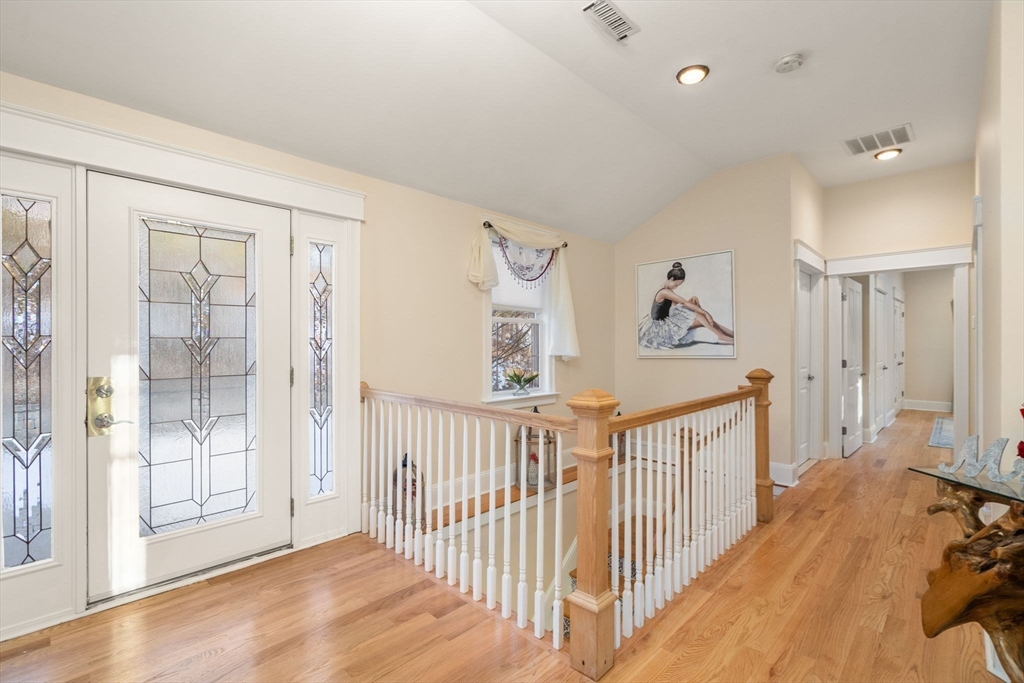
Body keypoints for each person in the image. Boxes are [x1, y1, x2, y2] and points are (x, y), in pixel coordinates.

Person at [638, 262, 734, 349]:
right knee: (700, 315)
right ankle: (722, 337)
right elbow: (684, 303)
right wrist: (705, 312)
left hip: (664, 322)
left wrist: (693, 302)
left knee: (694, 302)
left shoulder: (665, 290)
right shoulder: (664, 292)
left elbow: (678, 304)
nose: (676, 287)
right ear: (671, 279)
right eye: (676, 285)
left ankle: (731, 334)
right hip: (661, 330)